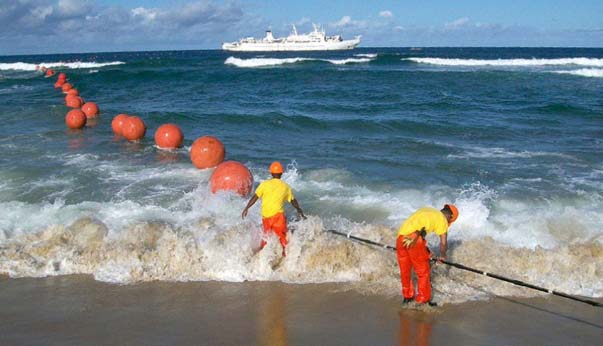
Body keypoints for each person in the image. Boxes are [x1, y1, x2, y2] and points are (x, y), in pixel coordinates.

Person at [396, 204, 459, 305]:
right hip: (415, 240)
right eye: (450, 221)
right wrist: (442, 256)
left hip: (401, 238)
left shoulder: (427, 210)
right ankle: (423, 300)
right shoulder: (442, 220)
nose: (448, 223)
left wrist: (426, 251)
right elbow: (443, 243)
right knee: (423, 272)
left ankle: (407, 297)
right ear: (449, 217)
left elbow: (417, 229)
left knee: (405, 270)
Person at [242, 161, 305, 256]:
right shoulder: (285, 186)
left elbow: (255, 197)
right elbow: (293, 201)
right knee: (282, 237)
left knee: (267, 236)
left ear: (271, 173)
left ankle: (263, 255)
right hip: (278, 217)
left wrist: (247, 208)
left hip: (266, 217)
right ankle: (285, 256)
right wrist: (299, 210)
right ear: (281, 173)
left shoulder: (264, 184)